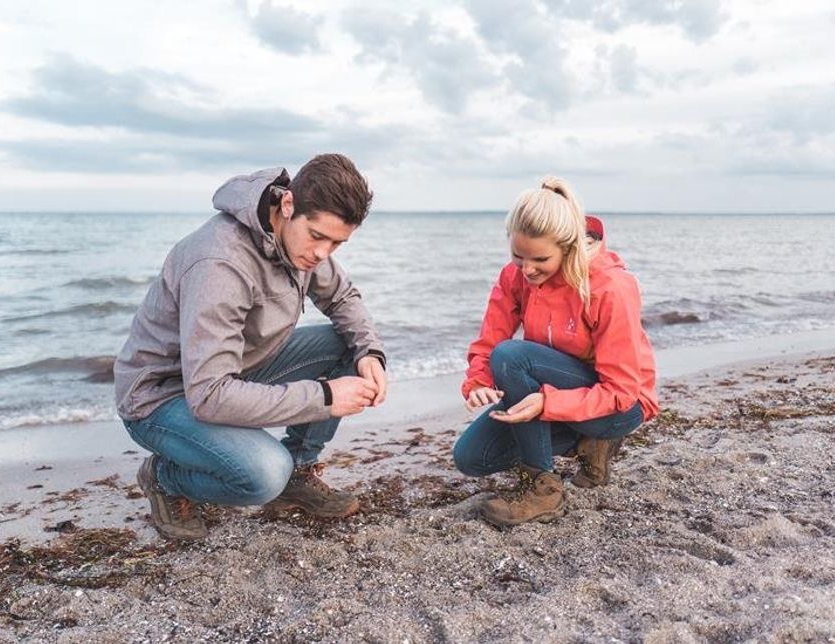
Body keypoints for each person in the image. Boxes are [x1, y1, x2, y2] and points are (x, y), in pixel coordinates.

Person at [114, 153, 387, 540]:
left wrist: (370, 353)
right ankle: (163, 477)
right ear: (288, 204)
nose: (323, 253)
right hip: (162, 398)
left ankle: (299, 471)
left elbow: (342, 297)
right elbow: (208, 396)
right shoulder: (219, 264)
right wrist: (324, 396)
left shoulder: (298, 242)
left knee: (349, 347)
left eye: (337, 243)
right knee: (263, 474)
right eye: (317, 236)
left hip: (233, 370)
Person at [453, 176, 658, 528]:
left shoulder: (610, 288)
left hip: (620, 407)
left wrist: (548, 404)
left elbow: (621, 392)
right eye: (518, 257)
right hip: (560, 397)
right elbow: (489, 340)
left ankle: (542, 488)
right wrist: (478, 381)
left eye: (540, 259)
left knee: (512, 356)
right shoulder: (516, 275)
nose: (527, 269)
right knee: (472, 457)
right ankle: (590, 446)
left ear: (569, 248)